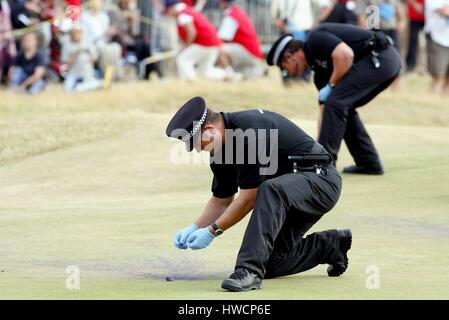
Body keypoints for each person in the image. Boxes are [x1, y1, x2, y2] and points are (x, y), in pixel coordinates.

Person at [166, 96, 351, 292]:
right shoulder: (219, 150)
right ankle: (331, 245)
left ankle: (249, 271)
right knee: (271, 263)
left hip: (321, 182)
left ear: (210, 131)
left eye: (196, 144)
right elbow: (222, 199)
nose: (198, 150)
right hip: (289, 195)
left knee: (269, 190)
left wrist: (212, 231)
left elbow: (249, 199)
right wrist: (195, 227)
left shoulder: (250, 132)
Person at [266, 23, 401, 175]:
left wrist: (331, 85)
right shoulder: (319, 74)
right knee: (341, 106)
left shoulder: (314, 39)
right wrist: (317, 147)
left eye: (284, 69)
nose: (289, 74)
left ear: (289, 57)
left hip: (382, 57)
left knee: (337, 102)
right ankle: (368, 162)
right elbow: (325, 114)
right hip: (384, 63)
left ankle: (323, 165)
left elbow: (345, 55)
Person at [163, 0, 225, 81]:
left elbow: (191, 32)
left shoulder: (183, 14)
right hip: (212, 43)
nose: (168, 14)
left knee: (182, 59)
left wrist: (186, 47)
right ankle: (228, 75)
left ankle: (189, 82)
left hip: (205, 43)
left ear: (171, 8)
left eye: (167, 11)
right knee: (205, 71)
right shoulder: (187, 10)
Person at [216, 0, 265, 79]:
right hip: (254, 54)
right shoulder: (237, 11)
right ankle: (259, 73)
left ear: (223, 3)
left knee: (219, 49)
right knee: (242, 73)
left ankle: (230, 75)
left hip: (249, 53)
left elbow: (221, 39)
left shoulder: (231, 16)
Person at [61, 26, 103, 92]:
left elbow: (94, 56)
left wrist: (91, 60)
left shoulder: (87, 42)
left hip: (87, 71)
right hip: (73, 72)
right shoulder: (66, 45)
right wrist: (77, 53)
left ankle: (82, 87)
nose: (78, 35)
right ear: (71, 35)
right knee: (67, 89)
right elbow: (66, 63)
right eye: (75, 33)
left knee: (89, 81)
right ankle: (86, 86)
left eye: (79, 33)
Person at [424, 0, 449, 94]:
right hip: (437, 39)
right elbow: (444, 11)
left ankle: (443, 103)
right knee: (438, 76)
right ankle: (431, 101)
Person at [405, 0, 425, 73]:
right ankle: (410, 65)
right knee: (413, 42)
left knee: (426, 44)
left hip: (429, 18)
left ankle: (424, 67)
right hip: (415, 16)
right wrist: (415, 4)